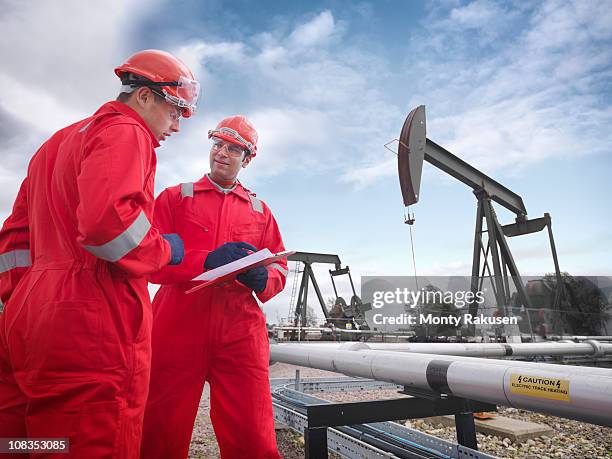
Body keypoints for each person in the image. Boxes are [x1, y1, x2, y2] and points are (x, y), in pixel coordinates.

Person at [0, 49, 199, 458]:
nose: (177, 126)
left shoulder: (52, 146)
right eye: (176, 111)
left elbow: (14, 241)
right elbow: (108, 225)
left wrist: (27, 299)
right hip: (90, 321)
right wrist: (164, 250)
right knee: (93, 440)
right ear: (145, 96)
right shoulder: (126, 131)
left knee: (30, 441)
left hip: (28, 318)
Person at [140, 115, 288, 459]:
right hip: (178, 325)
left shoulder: (259, 211)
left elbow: (279, 263)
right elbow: (150, 258)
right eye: (218, 144)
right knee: (159, 426)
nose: (222, 153)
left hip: (239, 332)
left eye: (233, 149)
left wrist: (265, 279)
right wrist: (204, 261)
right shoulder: (176, 198)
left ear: (247, 159)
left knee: (252, 432)